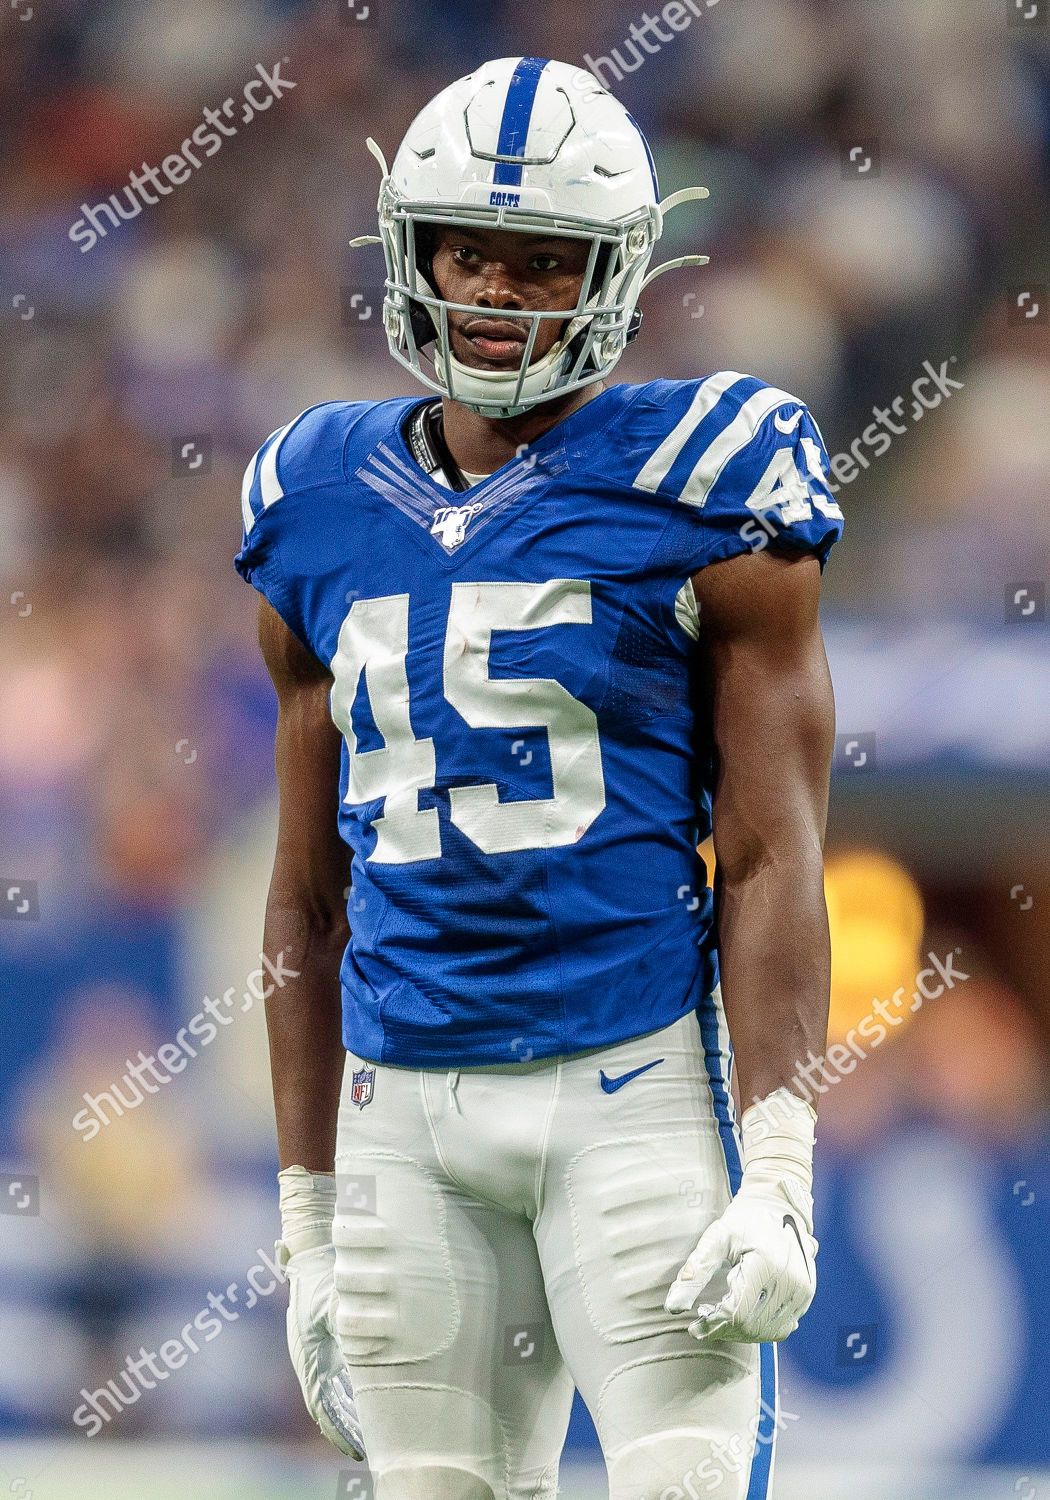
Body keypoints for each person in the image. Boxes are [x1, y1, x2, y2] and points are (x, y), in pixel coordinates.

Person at [236, 55, 843, 1500]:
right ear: (411, 253)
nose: (500, 292)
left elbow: (771, 856)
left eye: (542, 260)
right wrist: (307, 1218)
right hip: (400, 1116)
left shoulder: (705, 471)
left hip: (630, 1086)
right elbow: (305, 900)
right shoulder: (309, 499)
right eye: (470, 252)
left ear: (615, 274)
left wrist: (780, 1166)